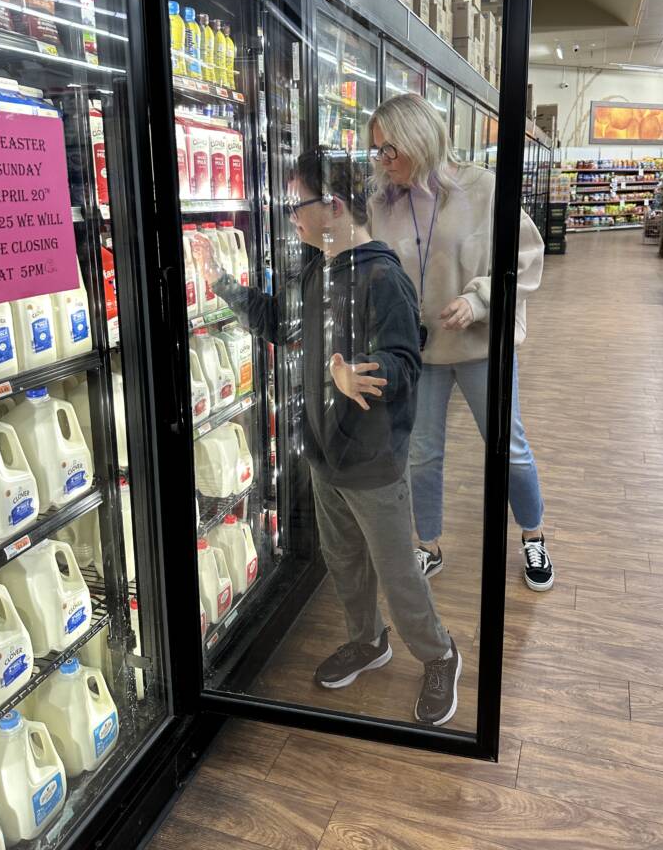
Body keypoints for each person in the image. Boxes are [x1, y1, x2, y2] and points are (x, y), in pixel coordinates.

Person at [191, 146, 461, 725]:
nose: (292, 215)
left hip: (373, 461)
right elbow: (280, 321)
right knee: (344, 562)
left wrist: (359, 371)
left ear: (333, 206)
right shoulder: (318, 267)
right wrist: (219, 282)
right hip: (325, 455)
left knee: (397, 571)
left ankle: (439, 654)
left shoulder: (383, 276)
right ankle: (369, 641)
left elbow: (405, 362)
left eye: (297, 205)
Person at [367, 94, 553, 592]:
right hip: (418, 351)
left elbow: (527, 258)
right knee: (422, 452)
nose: (383, 162)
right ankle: (427, 544)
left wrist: (481, 299)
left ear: (419, 139)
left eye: (390, 150)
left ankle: (533, 534)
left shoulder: (485, 188)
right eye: (376, 151)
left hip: (480, 347)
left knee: (508, 446)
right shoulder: (382, 204)